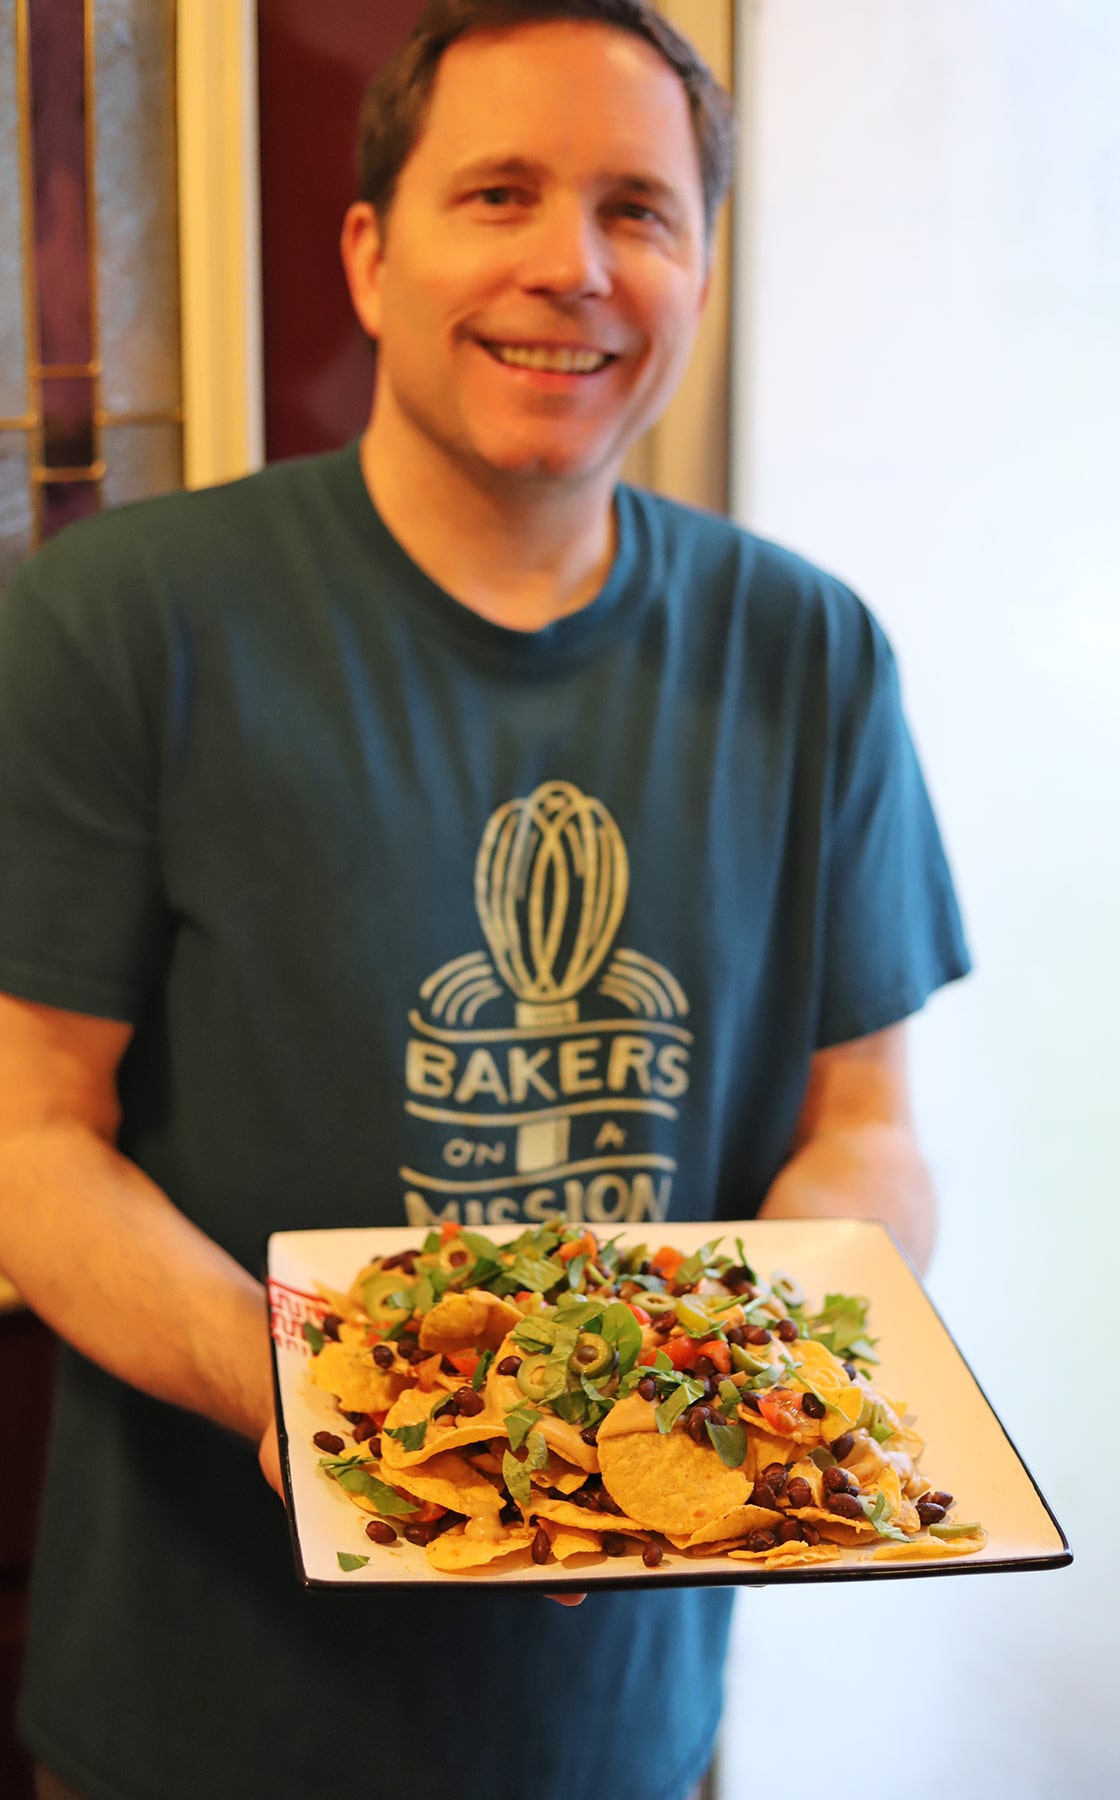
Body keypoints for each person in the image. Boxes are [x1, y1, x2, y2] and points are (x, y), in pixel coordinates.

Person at [0, 3, 969, 1797]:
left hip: (618, 1732)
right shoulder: (120, 622)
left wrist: (761, 1369)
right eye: (500, 192)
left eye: (641, 210)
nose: (572, 267)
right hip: (194, 1726)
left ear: (700, 269)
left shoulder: (810, 652)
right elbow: (28, 1141)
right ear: (371, 255)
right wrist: (315, 1398)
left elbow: (870, 1129)